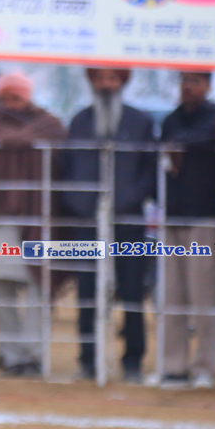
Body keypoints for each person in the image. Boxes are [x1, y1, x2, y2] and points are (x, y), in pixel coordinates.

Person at [60, 68, 156, 383]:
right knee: (87, 293)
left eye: (112, 79)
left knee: (132, 293)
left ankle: (133, 361)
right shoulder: (80, 121)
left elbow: (149, 171)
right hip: (87, 222)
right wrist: (79, 202)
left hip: (129, 222)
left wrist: (127, 200)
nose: (105, 85)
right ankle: (88, 360)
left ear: (122, 82)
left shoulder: (140, 122)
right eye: (100, 79)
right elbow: (67, 169)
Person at [0, 71, 65, 376]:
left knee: (41, 283)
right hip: (1, 218)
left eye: (16, 96)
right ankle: (12, 354)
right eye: (5, 97)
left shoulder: (49, 124)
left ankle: (33, 354)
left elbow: (61, 163)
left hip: (42, 217)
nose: (10, 103)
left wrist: (12, 143)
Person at [158, 72, 215, 389]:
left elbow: (209, 137)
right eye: (185, 80)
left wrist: (180, 144)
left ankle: (205, 366)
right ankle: (174, 366)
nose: (188, 86)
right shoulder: (171, 120)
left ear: (208, 85)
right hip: (172, 217)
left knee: (204, 297)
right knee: (172, 297)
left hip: (204, 218)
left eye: (196, 80)